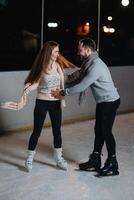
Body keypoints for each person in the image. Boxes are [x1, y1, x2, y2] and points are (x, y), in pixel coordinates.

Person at [1, 40, 76, 172]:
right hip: (42, 102)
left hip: (55, 103)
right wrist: (28, 89)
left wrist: (63, 97)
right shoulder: (42, 67)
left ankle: (58, 157)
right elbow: (36, 83)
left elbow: (62, 81)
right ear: (49, 53)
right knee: (37, 131)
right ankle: (29, 157)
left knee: (57, 132)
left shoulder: (58, 65)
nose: (58, 53)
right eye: (56, 51)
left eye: (58, 51)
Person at [51, 38, 120, 177]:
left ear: (88, 50)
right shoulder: (87, 63)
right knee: (98, 131)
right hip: (103, 102)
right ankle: (95, 160)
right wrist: (59, 82)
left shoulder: (96, 65)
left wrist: (63, 93)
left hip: (110, 101)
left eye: (80, 50)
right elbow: (76, 78)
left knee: (106, 132)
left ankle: (113, 164)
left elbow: (82, 85)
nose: (78, 52)